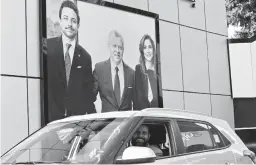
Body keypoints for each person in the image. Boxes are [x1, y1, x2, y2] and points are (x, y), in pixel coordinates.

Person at [46, 0, 96, 122]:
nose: (69, 24)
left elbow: (88, 97)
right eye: (66, 18)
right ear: (60, 21)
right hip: (50, 124)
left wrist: (90, 126)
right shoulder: (47, 47)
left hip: (75, 127)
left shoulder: (85, 57)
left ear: (78, 25)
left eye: (74, 21)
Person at [93, 30, 134, 112]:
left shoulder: (132, 73)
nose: (117, 51)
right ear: (109, 46)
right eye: (114, 46)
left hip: (127, 123)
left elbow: (137, 103)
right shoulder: (99, 69)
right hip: (107, 123)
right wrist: (96, 117)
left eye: (120, 47)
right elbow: (89, 98)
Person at [133, 34, 159, 110]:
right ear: (142, 51)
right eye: (144, 48)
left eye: (150, 47)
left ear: (153, 49)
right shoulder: (138, 70)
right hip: (143, 118)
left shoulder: (158, 71)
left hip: (158, 116)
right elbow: (136, 99)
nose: (147, 51)